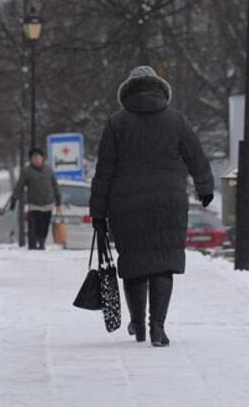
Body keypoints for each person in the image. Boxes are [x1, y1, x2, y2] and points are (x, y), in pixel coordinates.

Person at [90, 66, 214, 347]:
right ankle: (157, 328)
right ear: (160, 89)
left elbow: (104, 172)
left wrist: (98, 212)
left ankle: (139, 325)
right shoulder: (176, 120)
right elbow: (196, 156)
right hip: (167, 201)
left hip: (126, 203)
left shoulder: (116, 123)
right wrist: (205, 187)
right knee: (163, 263)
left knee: (135, 263)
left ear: (128, 92)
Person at [10, 148, 62, 250]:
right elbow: (20, 186)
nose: (37, 160)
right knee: (34, 225)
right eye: (34, 158)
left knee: (45, 225)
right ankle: (34, 243)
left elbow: (55, 185)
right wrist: (14, 198)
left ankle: (42, 241)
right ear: (31, 159)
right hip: (34, 204)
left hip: (48, 203)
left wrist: (58, 200)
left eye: (39, 158)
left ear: (42, 158)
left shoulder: (48, 170)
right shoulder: (27, 171)